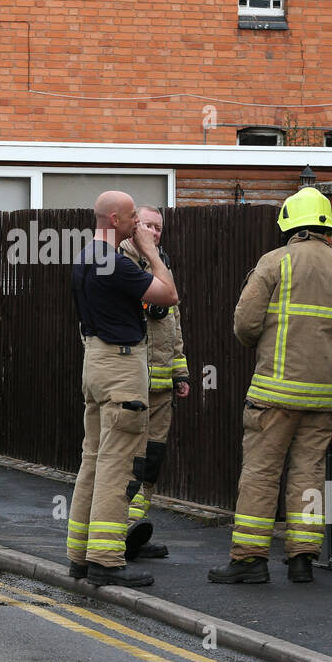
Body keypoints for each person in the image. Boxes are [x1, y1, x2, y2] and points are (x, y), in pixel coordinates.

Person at [209, 187, 332, 585]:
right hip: (323, 397)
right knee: (308, 474)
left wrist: (259, 343)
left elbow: (245, 324)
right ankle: (302, 559)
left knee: (262, 474)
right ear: (326, 225)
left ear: (288, 221)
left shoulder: (274, 262)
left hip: (274, 395)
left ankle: (249, 560)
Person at [67, 191, 178, 588]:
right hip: (121, 366)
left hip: (94, 362)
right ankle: (107, 560)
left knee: (93, 461)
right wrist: (150, 251)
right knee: (119, 466)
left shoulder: (83, 257)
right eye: (132, 218)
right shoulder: (114, 263)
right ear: (114, 219)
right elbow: (169, 294)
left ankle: (80, 556)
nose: (137, 225)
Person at [119, 205, 190, 560]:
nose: (155, 233)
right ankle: (119, 529)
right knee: (129, 459)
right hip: (133, 383)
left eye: (159, 227)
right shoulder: (121, 264)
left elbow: (172, 327)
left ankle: (137, 530)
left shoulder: (162, 267)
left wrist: (181, 373)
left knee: (152, 460)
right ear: (134, 227)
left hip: (162, 387)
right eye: (148, 225)